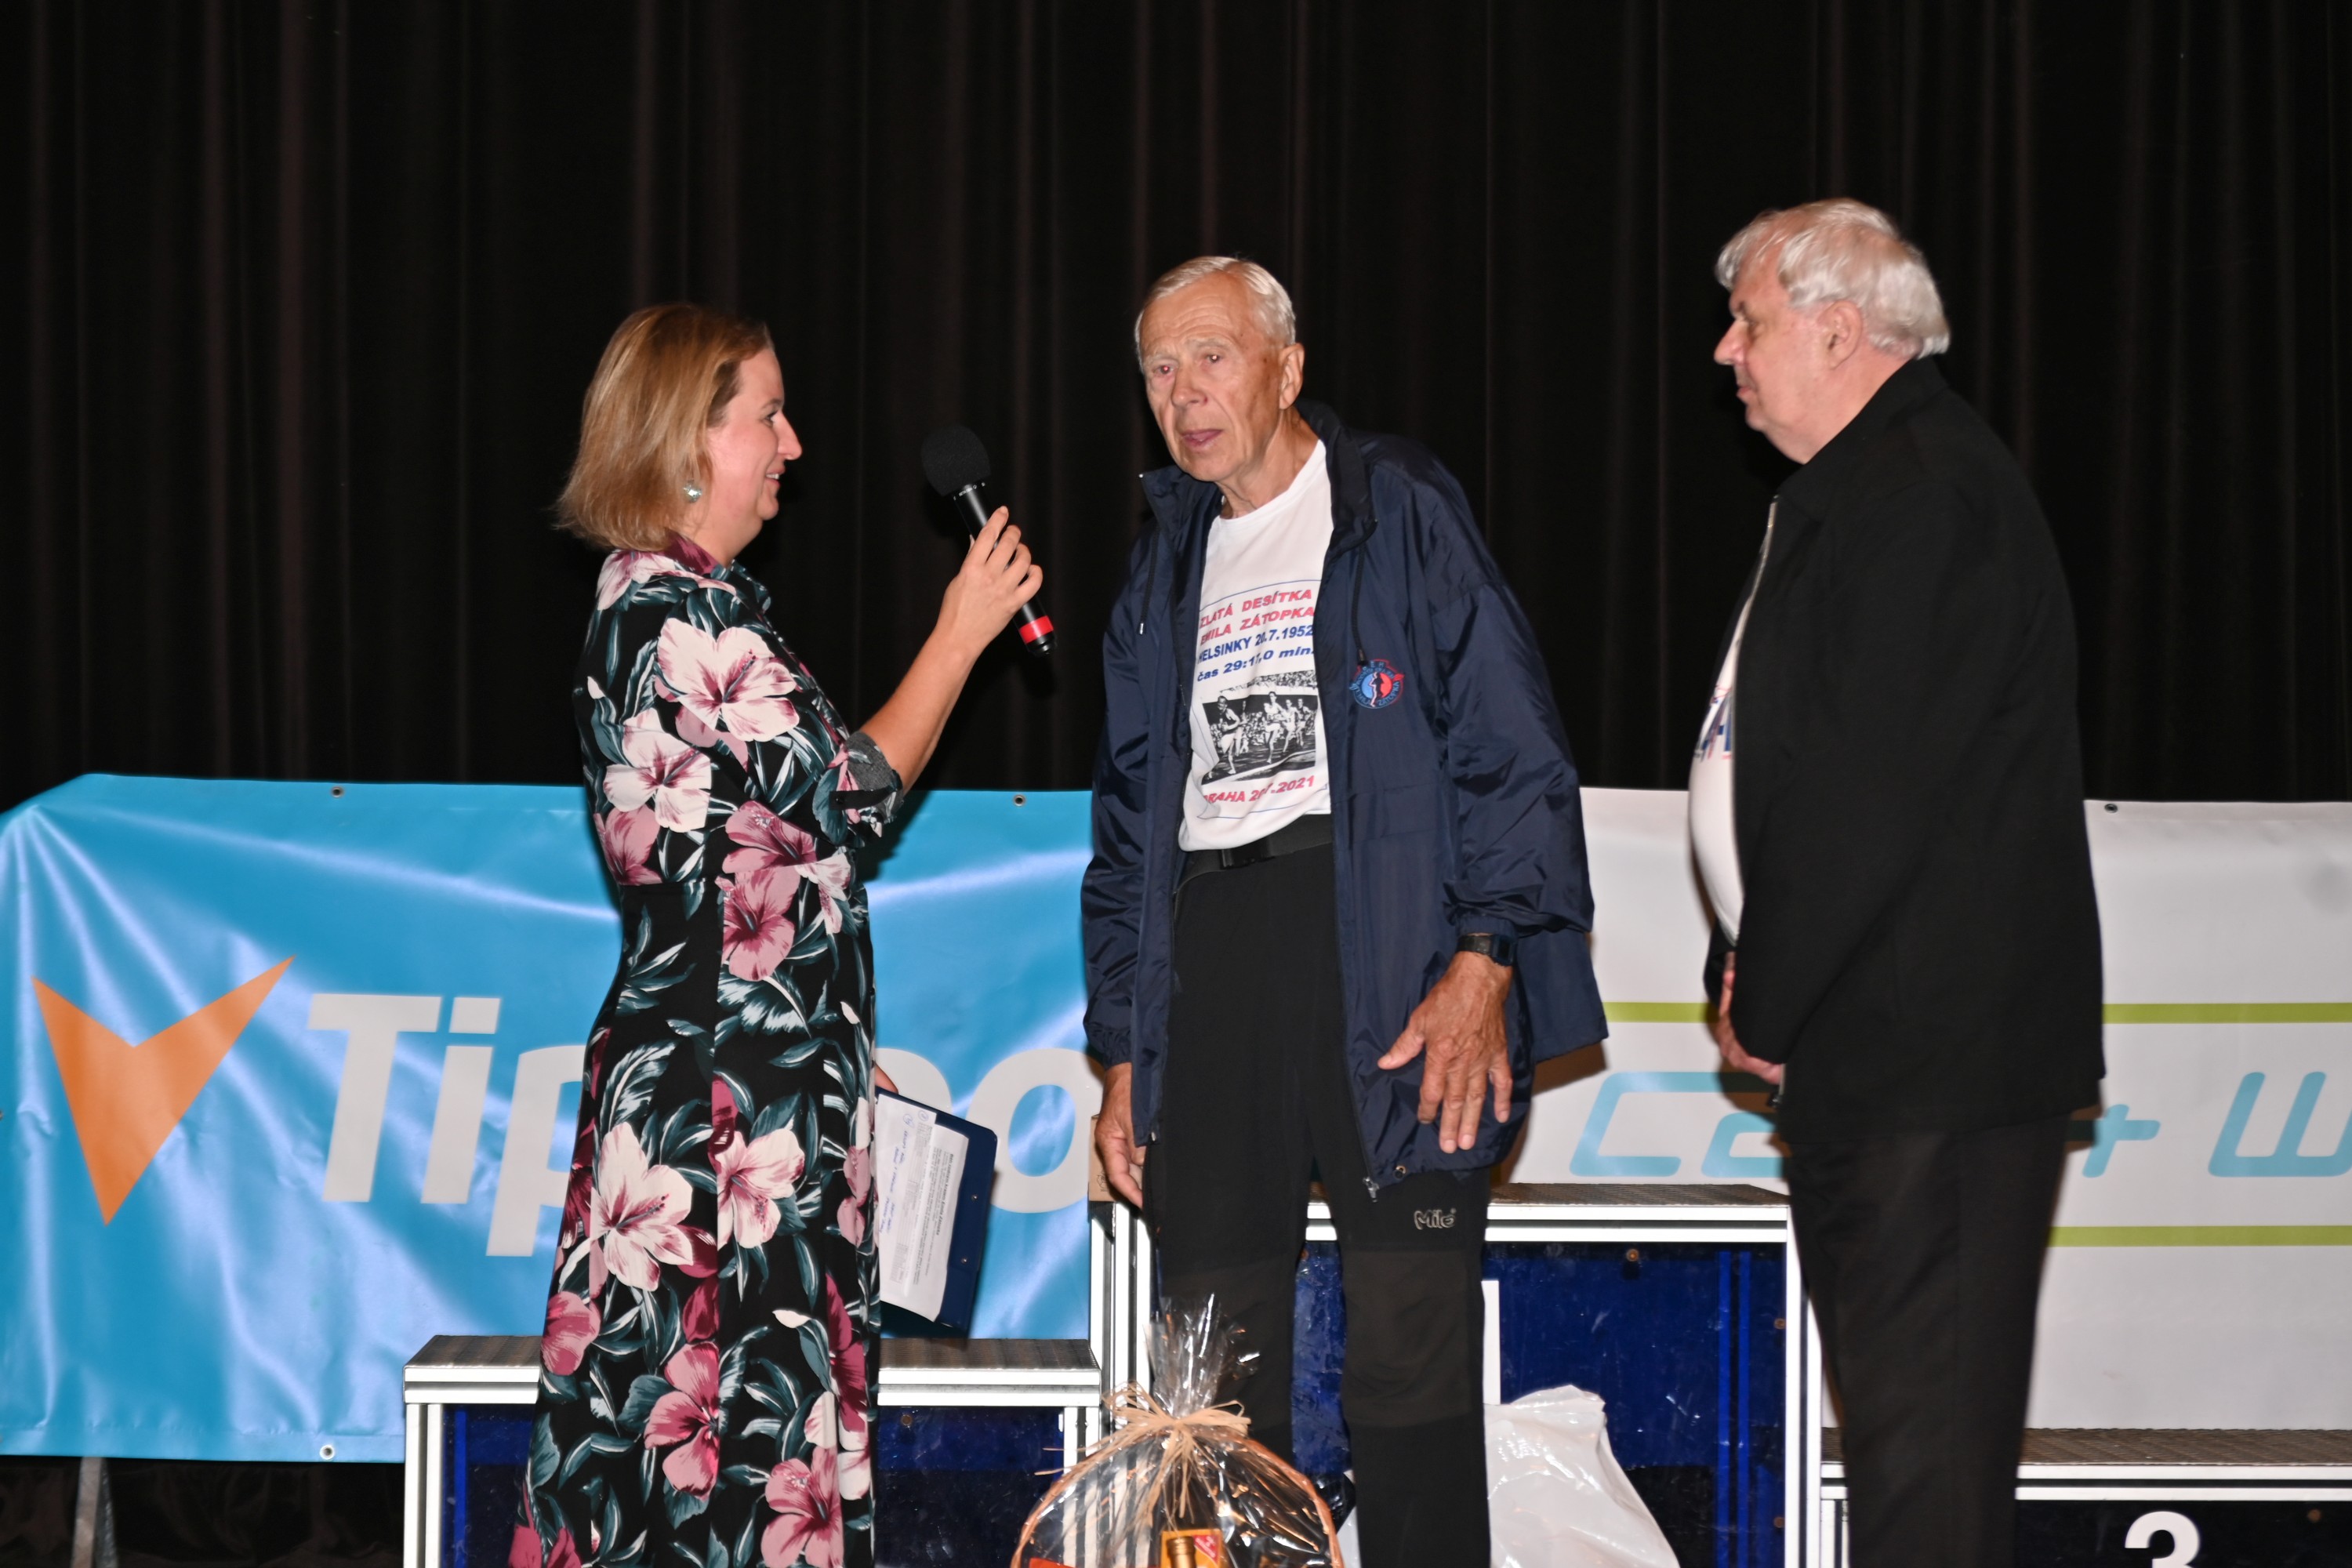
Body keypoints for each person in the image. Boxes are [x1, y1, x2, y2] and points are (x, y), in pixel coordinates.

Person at [1083, 257, 1606, 1567]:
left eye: (1212, 357)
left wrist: (1485, 961)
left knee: (1410, 1351)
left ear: (1288, 367)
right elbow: (1130, 828)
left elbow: (1512, 746)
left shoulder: (1394, 500)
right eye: (1159, 369)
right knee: (1211, 1379)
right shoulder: (1161, 564)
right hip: (1215, 964)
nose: (1184, 395)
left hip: (1393, 956)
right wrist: (1123, 1050)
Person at [515, 303, 1040, 1568]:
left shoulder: (681, 606)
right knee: (727, 1443)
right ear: (689, 438)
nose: (793, 445)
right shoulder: (673, 619)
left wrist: (827, 1040)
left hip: (739, 1079)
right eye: (768, 415)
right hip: (721, 1110)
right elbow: (852, 794)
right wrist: (961, 632)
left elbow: (771, 851)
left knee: (713, 1436)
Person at [1693, 201, 2103, 1566]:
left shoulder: (1924, 493)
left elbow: (1867, 795)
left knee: (1926, 1476)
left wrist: (1770, 997)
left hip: (1935, 1064)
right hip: (1888, 1053)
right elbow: (1782, 766)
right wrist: (1750, 959)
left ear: (1836, 330)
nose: (1726, 352)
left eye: (1747, 322)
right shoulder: (1871, 486)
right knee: (1903, 1459)